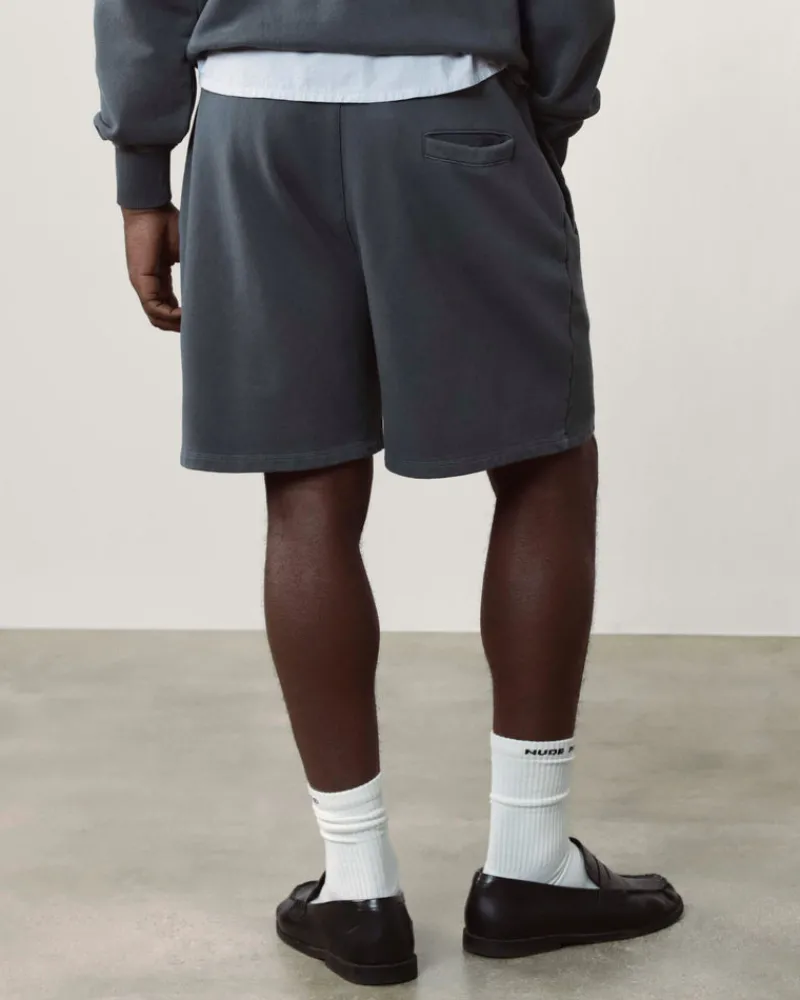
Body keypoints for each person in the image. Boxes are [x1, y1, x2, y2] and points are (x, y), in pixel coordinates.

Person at [94, 0, 683, 987]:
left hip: (250, 123)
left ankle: (357, 887)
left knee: (307, 484)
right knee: (543, 460)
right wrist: (547, 112)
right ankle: (529, 864)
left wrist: (140, 170)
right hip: (449, 100)